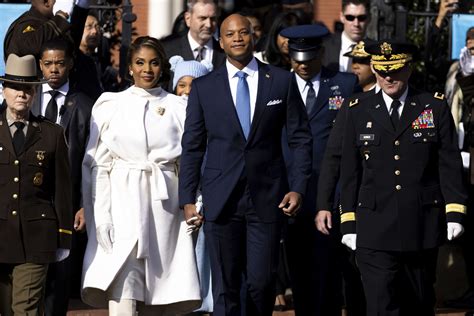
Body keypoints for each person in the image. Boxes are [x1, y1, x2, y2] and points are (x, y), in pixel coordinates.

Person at [179, 13, 313, 316]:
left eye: (243, 32)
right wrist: (187, 198)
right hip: (220, 199)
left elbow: (300, 138)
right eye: (230, 34)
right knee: (225, 286)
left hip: (267, 198)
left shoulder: (281, 80)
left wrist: (299, 187)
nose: (237, 38)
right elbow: (193, 146)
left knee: (261, 282)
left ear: (253, 36)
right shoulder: (204, 87)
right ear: (221, 41)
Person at [340, 40, 468, 316]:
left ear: (408, 69)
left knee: (418, 303)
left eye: (395, 70)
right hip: (373, 226)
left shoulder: (431, 107)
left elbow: (448, 164)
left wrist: (455, 212)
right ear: (374, 70)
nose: (388, 77)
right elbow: (349, 171)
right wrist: (348, 220)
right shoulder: (356, 109)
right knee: (380, 304)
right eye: (382, 70)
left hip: (420, 223)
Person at [81, 36, 201, 315]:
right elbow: (98, 165)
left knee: (160, 295)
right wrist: (102, 216)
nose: (147, 69)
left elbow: (192, 161)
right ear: (130, 68)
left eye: (154, 63)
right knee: (123, 289)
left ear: (163, 67)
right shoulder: (111, 104)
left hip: (165, 211)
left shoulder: (179, 107)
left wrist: (196, 202)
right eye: (140, 63)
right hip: (122, 204)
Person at [279, 24, 360, 316]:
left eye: (308, 59)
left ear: (321, 54)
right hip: (292, 190)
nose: (302, 65)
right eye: (296, 59)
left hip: (333, 190)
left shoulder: (345, 84)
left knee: (330, 266)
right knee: (298, 265)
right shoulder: (277, 84)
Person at [0, 53, 72, 315]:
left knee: (25, 309)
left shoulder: (51, 134)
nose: (22, 94)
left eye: (28, 89)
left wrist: (64, 237)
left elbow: (62, 189)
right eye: (16, 87)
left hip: (36, 237)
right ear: (4, 90)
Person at [33, 38, 94, 316]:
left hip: (66, 200)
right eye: (48, 64)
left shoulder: (85, 104)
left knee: (59, 275)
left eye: (59, 63)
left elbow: (90, 158)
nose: (54, 69)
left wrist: (84, 203)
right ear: (40, 66)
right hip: (30, 197)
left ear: (70, 64)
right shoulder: (28, 98)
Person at [169, 55, 214, 314]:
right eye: (182, 85)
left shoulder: (209, 115)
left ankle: (202, 303)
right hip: (172, 194)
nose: (187, 91)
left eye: (193, 85)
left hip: (200, 193)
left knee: (201, 251)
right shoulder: (167, 112)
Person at [3, 0, 90, 62]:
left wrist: (81, 8)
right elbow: (30, 47)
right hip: (29, 87)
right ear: (46, 2)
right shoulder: (28, 23)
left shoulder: (49, 24)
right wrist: (61, 15)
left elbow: (71, 49)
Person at [162, 0, 225, 69]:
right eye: (202, 18)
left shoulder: (226, 52)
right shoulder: (167, 51)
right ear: (188, 18)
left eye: (213, 19)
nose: (208, 25)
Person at [322, 0, 370, 72]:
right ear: (342, 17)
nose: (356, 24)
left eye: (361, 18)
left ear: (369, 18)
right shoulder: (325, 47)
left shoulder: (376, 51)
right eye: (350, 17)